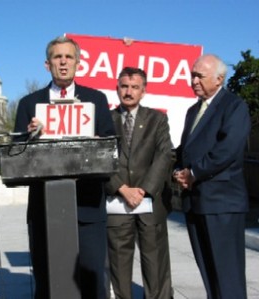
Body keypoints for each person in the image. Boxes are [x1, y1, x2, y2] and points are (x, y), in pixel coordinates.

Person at [14, 36, 115, 299]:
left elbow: (111, 149)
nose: (63, 62)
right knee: (48, 282)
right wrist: (29, 138)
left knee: (92, 281)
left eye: (69, 57)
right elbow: (16, 155)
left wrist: (95, 146)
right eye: (57, 57)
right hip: (46, 208)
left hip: (88, 206)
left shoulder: (96, 99)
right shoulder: (29, 104)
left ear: (78, 63)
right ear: (47, 64)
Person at [173, 54, 250, 299]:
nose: (193, 80)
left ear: (219, 79)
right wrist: (177, 170)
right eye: (192, 74)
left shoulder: (234, 106)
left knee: (227, 276)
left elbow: (228, 149)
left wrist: (194, 173)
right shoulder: (193, 110)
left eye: (199, 75)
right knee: (209, 273)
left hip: (222, 204)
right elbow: (186, 149)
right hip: (196, 203)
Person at [105, 67, 173, 299]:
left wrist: (143, 190)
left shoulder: (157, 119)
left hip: (150, 204)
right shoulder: (106, 121)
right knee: (119, 267)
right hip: (117, 202)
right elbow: (100, 159)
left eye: (135, 87)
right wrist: (123, 189)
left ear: (144, 91)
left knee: (156, 268)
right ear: (117, 89)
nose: (129, 92)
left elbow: (165, 155)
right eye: (124, 86)